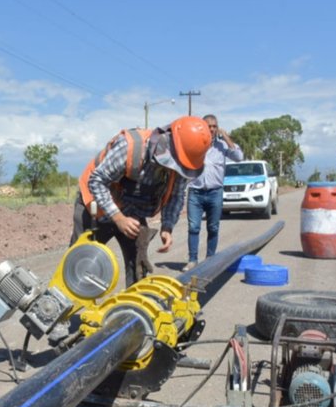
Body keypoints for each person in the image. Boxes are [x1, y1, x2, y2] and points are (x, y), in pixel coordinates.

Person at [74, 116, 213, 287]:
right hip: (95, 206)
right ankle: (59, 308)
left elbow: (176, 195)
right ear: (169, 143)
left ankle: (131, 311)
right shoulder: (130, 147)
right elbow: (97, 181)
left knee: (138, 266)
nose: (175, 169)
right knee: (79, 264)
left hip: (133, 211)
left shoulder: (182, 165)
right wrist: (118, 218)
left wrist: (167, 226)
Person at [182, 114, 243, 271]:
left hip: (215, 192)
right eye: (209, 126)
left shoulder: (222, 146)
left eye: (214, 126)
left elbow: (239, 157)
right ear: (202, 127)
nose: (212, 129)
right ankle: (192, 260)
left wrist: (227, 138)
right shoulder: (193, 143)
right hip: (195, 192)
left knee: (213, 227)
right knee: (194, 227)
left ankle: (210, 258)